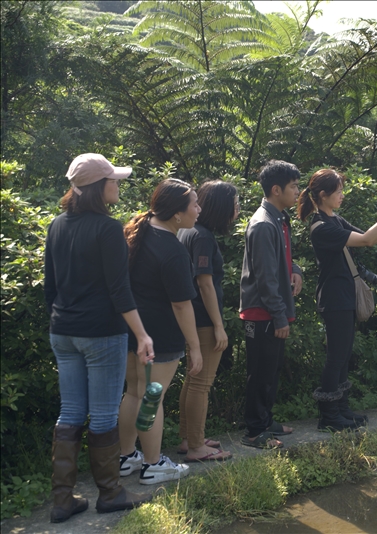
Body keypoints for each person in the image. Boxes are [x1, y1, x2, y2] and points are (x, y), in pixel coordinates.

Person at [44, 153, 153, 522]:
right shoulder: (108, 229)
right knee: (103, 414)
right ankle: (110, 493)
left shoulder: (57, 224)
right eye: (114, 181)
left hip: (63, 331)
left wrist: (62, 321)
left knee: (71, 411)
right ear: (97, 187)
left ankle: (63, 500)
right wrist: (142, 335)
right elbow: (119, 291)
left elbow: (51, 286)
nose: (118, 186)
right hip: (101, 333)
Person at [298, 169, 377, 431]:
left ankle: (342, 408)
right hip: (334, 298)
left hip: (345, 296)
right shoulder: (321, 227)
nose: (342, 195)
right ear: (323, 195)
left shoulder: (334, 219)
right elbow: (368, 239)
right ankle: (329, 415)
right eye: (338, 191)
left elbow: (371, 238)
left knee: (344, 355)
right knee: (336, 357)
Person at [118, 178, 204, 485]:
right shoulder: (172, 251)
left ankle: (126, 457)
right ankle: (153, 465)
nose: (199, 209)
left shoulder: (136, 233)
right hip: (159, 337)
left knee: (134, 393)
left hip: (131, 330)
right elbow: (182, 306)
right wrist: (194, 346)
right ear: (177, 215)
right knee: (151, 398)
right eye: (194, 203)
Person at [239, 160, 303, 449]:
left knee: (272, 369)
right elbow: (265, 277)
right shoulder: (264, 224)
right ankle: (255, 431)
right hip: (262, 312)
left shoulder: (278, 218)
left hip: (272, 310)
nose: (298, 192)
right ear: (276, 190)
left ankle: (265, 420)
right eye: (293, 187)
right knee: (261, 371)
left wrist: (296, 269)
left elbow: (279, 260)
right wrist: (279, 316)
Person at [176, 180, 239, 462]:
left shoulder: (189, 231)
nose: (237, 210)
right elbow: (205, 284)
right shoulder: (202, 237)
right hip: (202, 319)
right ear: (223, 207)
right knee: (202, 383)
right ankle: (196, 446)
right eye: (235, 205)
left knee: (193, 380)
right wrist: (218, 325)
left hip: (193, 316)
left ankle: (187, 438)